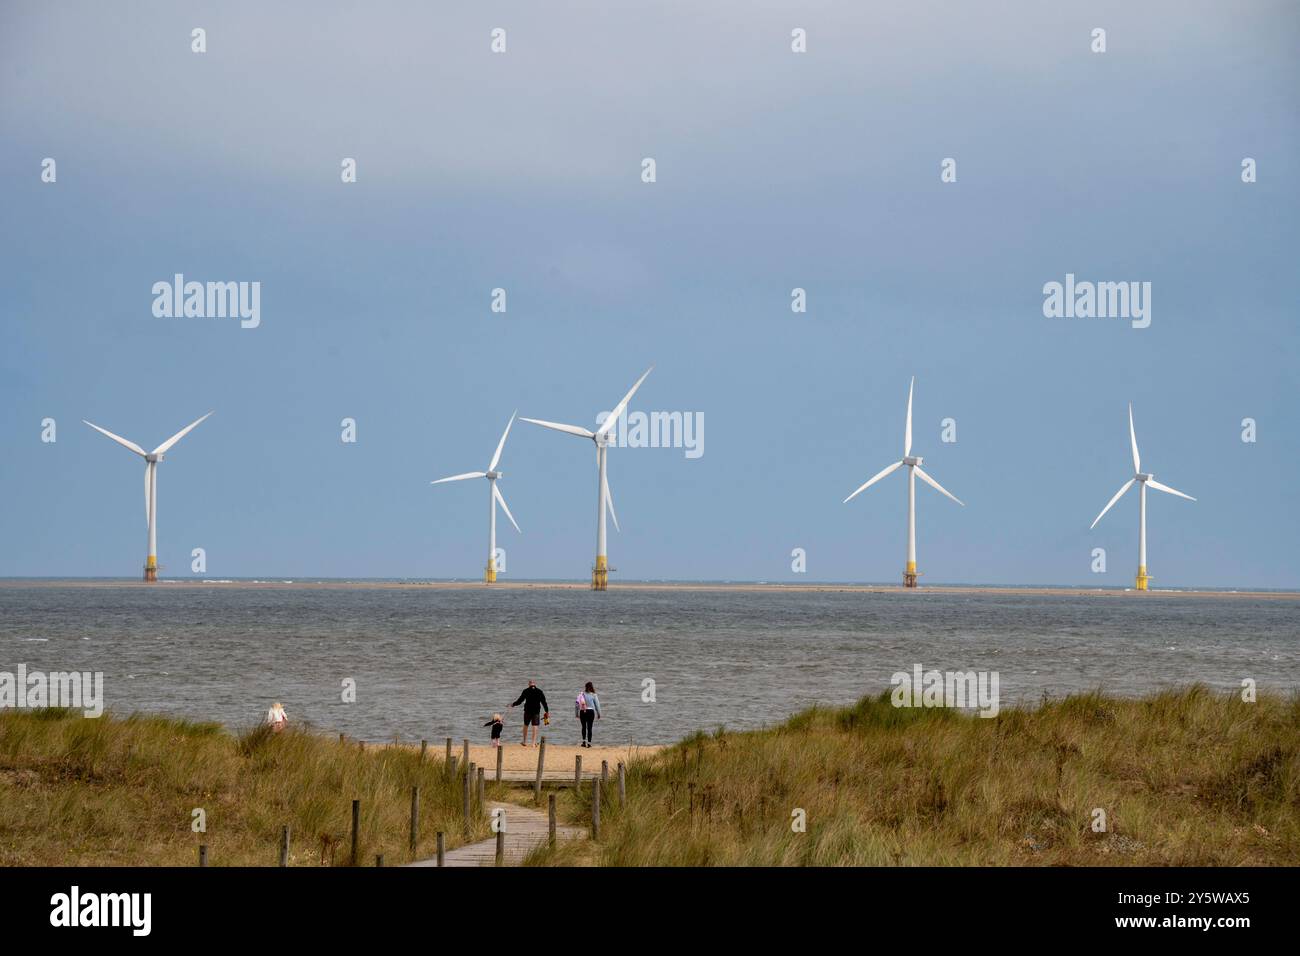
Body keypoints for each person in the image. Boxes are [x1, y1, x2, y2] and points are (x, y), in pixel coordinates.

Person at [509, 680, 549, 747]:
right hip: (536, 711)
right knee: (535, 726)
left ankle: (524, 741)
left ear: (529, 684)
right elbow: (544, 702)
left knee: (526, 725)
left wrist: (513, 704)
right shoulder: (539, 691)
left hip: (527, 711)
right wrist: (546, 711)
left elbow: (520, 701)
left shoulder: (526, 691)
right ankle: (533, 743)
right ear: (535, 684)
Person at [575, 681, 601, 748]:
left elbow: (577, 704)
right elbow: (597, 705)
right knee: (589, 728)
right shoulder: (594, 695)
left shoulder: (581, 694)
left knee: (583, 727)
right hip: (591, 712)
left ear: (585, 687)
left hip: (582, 712)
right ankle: (589, 744)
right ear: (591, 687)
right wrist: (599, 713)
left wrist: (576, 713)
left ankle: (583, 742)